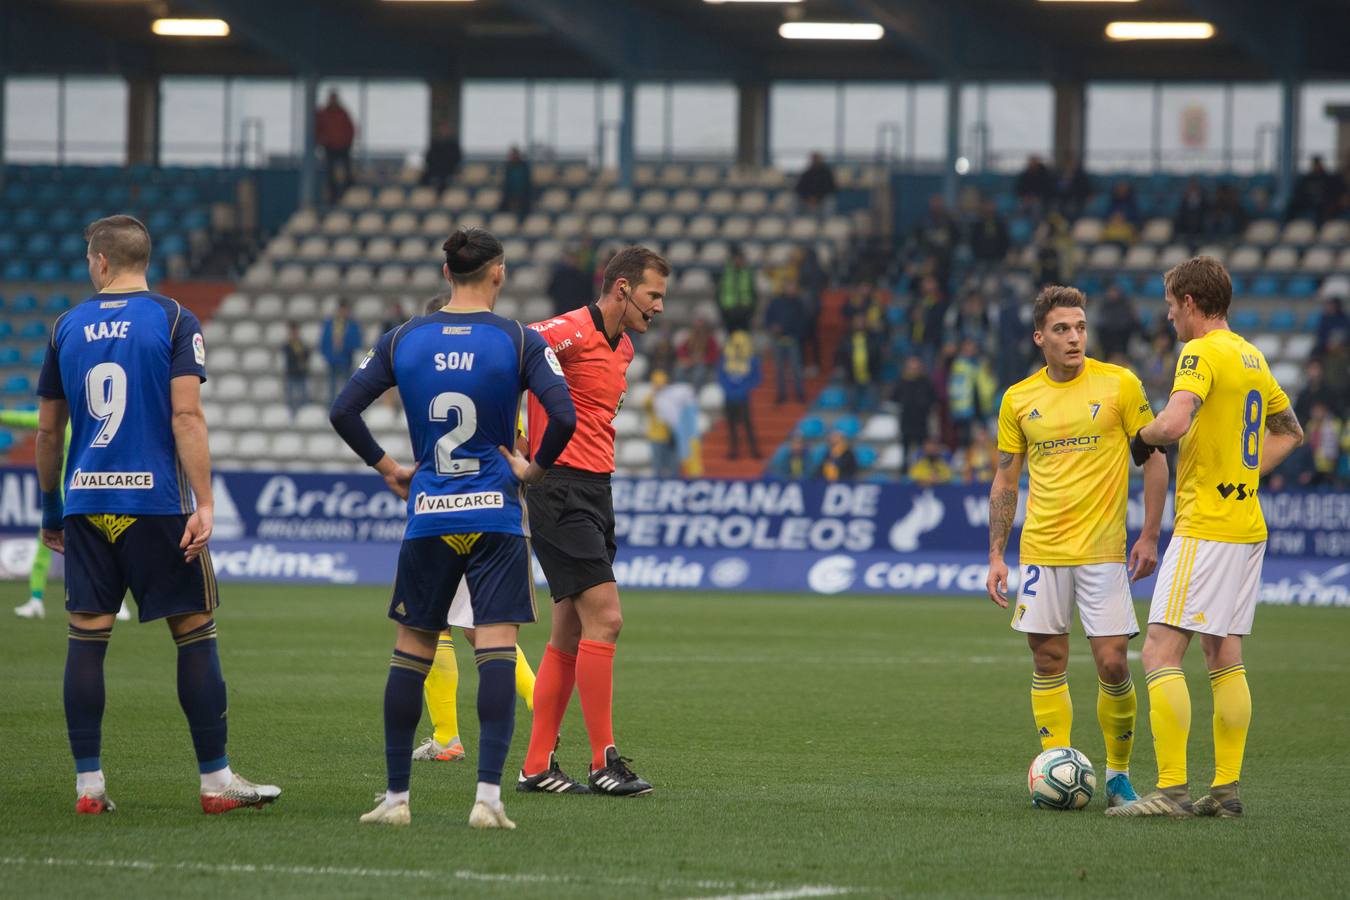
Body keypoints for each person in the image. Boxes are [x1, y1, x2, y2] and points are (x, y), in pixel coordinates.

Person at [329, 227, 577, 828]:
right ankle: (487, 800)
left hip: (430, 514)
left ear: (446, 274)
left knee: (411, 650)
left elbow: (343, 410)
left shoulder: (403, 338)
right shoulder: (517, 338)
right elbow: (563, 415)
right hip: (494, 514)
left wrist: (390, 468)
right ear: (498, 273)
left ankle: (395, 799)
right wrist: (533, 468)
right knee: (495, 649)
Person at [36, 214, 279, 815]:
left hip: (89, 504)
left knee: (86, 640)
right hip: (157, 505)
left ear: (98, 261)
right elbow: (187, 417)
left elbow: (47, 430)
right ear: (145, 259)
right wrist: (206, 502)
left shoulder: (65, 326)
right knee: (194, 635)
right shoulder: (174, 319)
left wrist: (51, 508)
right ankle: (216, 781)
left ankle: (89, 787)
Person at [1108, 256, 1303, 819]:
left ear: (1191, 302)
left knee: (1161, 652)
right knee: (1225, 654)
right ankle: (1225, 789)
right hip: (1247, 528)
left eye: (1171, 307)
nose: (1169, 318)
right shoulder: (1252, 355)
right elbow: (1290, 432)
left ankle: (1169, 791)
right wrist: (1241, 474)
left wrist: (1139, 437)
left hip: (1207, 526)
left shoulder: (1200, 352)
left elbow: (1173, 423)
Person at [987, 284, 1169, 810]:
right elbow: (1005, 481)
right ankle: (1056, 765)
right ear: (1040, 336)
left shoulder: (1119, 385)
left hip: (1104, 551)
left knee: (1113, 663)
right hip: (1042, 551)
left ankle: (1117, 775)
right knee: (1048, 659)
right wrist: (997, 555)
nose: (1075, 338)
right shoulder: (1018, 399)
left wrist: (1152, 532)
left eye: (1081, 327)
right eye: (1063, 329)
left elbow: (1154, 458)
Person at [519, 246, 668, 797]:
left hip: (596, 491)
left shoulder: (623, 348)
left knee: (571, 630)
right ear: (623, 289)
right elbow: (514, 354)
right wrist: (517, 446)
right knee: (607, 619)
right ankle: (603, 760)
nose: (658, 308)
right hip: (557, 489)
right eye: (654, 295)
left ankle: (536, 766)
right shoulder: (564, 332)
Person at [408, 294, 540, 768]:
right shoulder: (491, 374)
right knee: (465, 626)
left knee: (441, 626)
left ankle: (451, 737)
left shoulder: (423, 372)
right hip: (490, 509)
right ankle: (532, 711)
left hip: (450, 511)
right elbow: (521, 441)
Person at [4, 410, 132, 623]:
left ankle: (120, 602)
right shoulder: (76, 419)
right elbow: (21, 418)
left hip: (86, 497)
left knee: (104, 550)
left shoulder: (78, 420)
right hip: (73, 497)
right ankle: (35, 600)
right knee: (50, 547)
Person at [718, 330, 762, 460]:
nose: (737, 348)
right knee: (731, 425)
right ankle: (733, 450)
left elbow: (756, 379)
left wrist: (744, 389)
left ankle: (754, 450)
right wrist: (729, 390)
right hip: (729, 398)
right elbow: (721, 377)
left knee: (747, 425)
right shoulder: (725, 360)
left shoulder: (752, 360)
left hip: (743, 398)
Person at [764, 279, 807, 403]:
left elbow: (802, 321)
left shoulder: (798, 303)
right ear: (784, 287)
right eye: (789, 286)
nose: (791, 289)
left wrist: (792, 332)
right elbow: (768, 318)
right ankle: (781, 395)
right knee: (779, 369)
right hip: (777, 340)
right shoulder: (775, 302)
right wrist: (772, 327)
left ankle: (800, 393)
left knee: (796, 368)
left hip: (792, 340)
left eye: (793, 287)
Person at [835, 313, 883, 411]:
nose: (859, 324)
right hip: (851, 377)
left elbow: (878, 355)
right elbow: (840, 354)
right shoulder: (846, 338)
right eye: (857, 322)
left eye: (862, 322)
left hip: (871, 376)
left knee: (874, 406)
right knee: (852, 406)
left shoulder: (873, 338)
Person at [894, 356, 935, 469]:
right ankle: (905, 473)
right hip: (906, 422)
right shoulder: (901, 382)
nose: (913, 370)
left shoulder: (925, 383)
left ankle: (924, 472)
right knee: (905, 452)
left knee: (923, 453)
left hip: (921, 422)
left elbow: (932, 399)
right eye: (911, 367)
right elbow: (894, 398)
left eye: (916, 367)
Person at [315, 90, 355, 205]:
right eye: (331, 99)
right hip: (330, 147)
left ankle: (348, 194)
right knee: (330, 173)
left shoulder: (343, 113)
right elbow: (317, 129)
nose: (333, 101)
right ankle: (332, 198)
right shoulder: (323, 113)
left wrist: (348, 142)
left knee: (347, 172)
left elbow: (350, 128)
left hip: (343, 147)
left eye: (334, 99)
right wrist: (322, 141)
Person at [320, 299, 363, 404]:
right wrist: (328, 355)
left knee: (347, 386)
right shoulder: (330, 324)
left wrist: (344, 346)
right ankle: (332, 408)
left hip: (346, 360)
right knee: (332, 387)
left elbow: (357, 342)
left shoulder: (352, 325)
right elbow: (323, 341)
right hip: (332, 360)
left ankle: (346, 407)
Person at [646, 370, 681, 479]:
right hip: (656, 437)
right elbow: (646, 404)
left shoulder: (670, 398)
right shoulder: (652, 399)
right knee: (658, 466)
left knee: (673, 466)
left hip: (671, 436)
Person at [717, 246, 757, 333]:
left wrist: (750, 311)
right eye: (737, 258)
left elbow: (753, 293)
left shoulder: (748, 273)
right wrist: (723, 311)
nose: (739, 260)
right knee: (731, 338)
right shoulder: (725, 273)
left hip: (744, 312)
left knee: (744, 338)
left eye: (741, 258)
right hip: (729, 312)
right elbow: (719, 293)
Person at [675, 316, 720, 389]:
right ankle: (682, 391)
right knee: (679, 371)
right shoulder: (690, 337)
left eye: (701, 327)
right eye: (697, 327)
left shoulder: (710, 339)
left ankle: (694, 393)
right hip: (691, 361)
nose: (699, 329)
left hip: (703, 364)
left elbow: (714, 355)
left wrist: (703, 360)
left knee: (699, 373)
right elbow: (681, 350)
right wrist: (687, 360)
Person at [547, 249, 593, 318]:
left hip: (577, 311)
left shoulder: (583, 276)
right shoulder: (559, 275)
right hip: (561, 310)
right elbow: (551, 291)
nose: (572, 260)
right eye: (570, 258)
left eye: (574, 258)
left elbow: (588, 295)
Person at [421, 120, 462, 193]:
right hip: (434, 168)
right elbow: (429, 157)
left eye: (446, 128)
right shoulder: (435, 143)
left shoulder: (453, 144)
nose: (443, 130)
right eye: (442, 128)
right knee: (423, 179)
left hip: (448, 170)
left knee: (443, 181)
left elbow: (456, 158)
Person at [968, 199, 1011, 269]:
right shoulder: (978, 223)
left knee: (999, 278)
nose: (989, 209)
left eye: (991, 206)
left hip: (997, 256)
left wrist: (1002, 253)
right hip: (981, 257)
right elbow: (973, 239)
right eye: (987, 206)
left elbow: (1005, 238)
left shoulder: (1000, 223)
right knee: (981, 277)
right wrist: (977, 253)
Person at [281, 320, 311, 414]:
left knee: (303, 396)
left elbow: (306, 355)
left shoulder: (302, 344)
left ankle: (304, 415)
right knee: (291, 398)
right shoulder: (287, 345)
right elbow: (289, 356)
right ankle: (292, 415)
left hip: (301, 373)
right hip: (291, 373)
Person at [500, 146, 533, 217]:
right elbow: (507, 184)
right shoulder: (508, 168)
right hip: (510, 196)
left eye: (515, 154)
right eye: (512, 154)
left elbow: (527, 183)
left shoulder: (524, 167)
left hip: (523, 197)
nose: (513, 156)